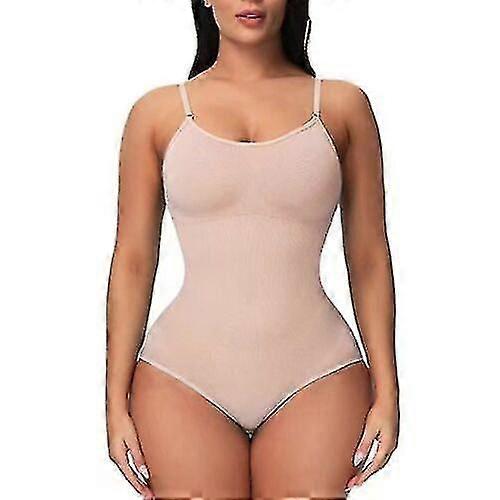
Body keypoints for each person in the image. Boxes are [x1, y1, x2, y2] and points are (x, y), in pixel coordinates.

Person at [106, 1, 399, 499]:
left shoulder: (342, 107)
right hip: (183, 376)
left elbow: (369, 256)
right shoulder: (155, 114)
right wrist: (114, 402)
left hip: (317, 374)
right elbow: (133, 261)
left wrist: (388, 391)